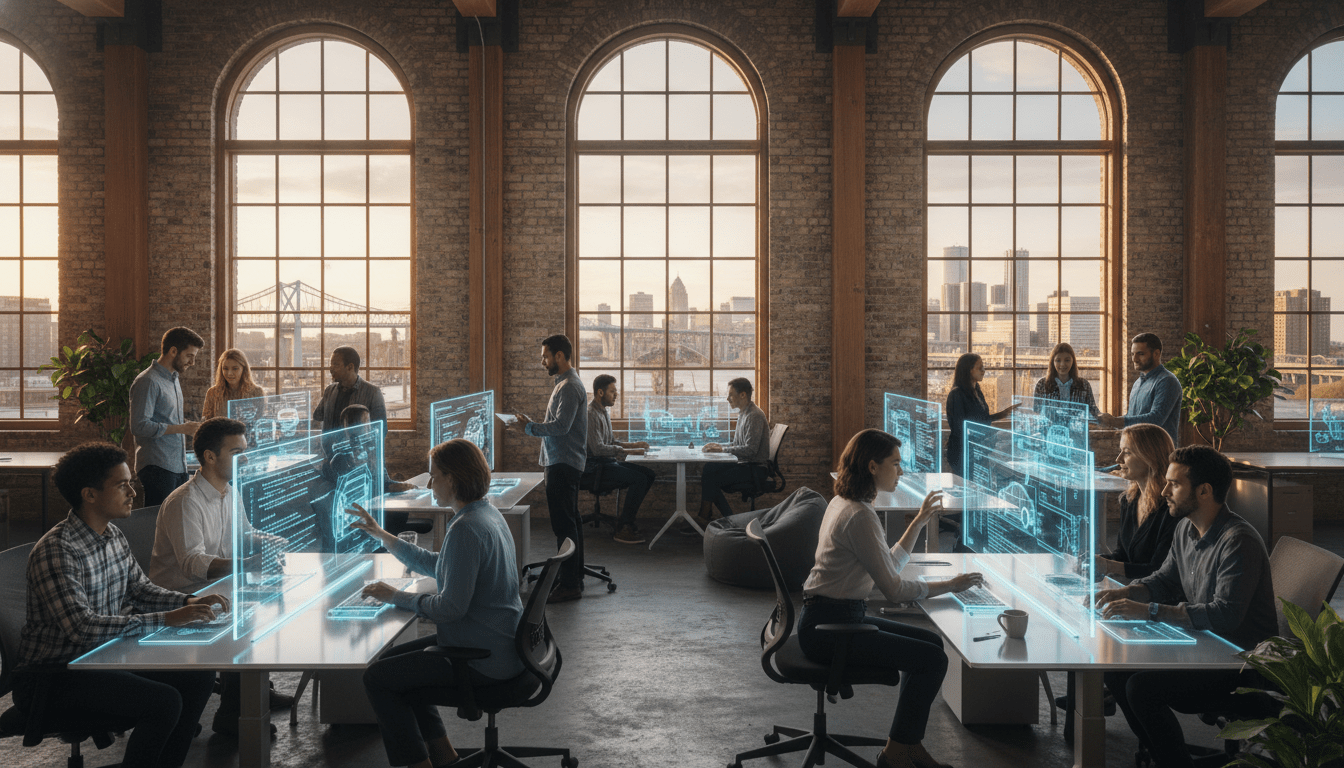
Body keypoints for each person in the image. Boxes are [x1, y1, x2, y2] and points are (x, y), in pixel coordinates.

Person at [14, 442, 229, 768]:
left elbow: (139, 590)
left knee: (198, 677)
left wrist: (189, 601)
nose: (133, 491)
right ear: (89, 495)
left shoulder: (112, 534)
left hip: (105, 657)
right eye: (121, 484)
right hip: (54, 677)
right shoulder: (58, 551)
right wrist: (169, 618)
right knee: (164, 701)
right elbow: (83, 629)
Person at [800, 429, 983, 768]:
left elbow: (885, 564)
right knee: (931, 659)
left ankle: (904, 746)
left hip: (832, 615)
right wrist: (951, 584)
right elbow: (895, 591)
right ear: (872, 467)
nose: (901, 471)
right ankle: (900, 750)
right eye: (895, 464)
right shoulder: (860, 516)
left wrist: (918, 521)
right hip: (831, 628)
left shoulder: (847, 503)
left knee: (931, 643)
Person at [1094, 445, 1277, 768]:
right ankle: (1164, 756)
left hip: (1237, 666)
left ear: (1204, 491)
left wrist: (1150, 611)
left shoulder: (1238, 541)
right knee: (1116, 670)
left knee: (1141, 688)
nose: (1164, 491)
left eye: (1174, 484)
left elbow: (1225, 615)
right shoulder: (1185, 529)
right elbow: (1164, 581)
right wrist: (1129, 595)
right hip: (1202, 648)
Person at [349, 438, 524, 768]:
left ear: (453, 480)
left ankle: (417, 763)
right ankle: (442, 754)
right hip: (499, 643)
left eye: (434, 476)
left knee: (378, 679)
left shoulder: (466, 529)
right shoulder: (485, 514)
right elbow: (438, 564)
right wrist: (382, 535)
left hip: (481, 658)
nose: (429, 484)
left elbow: (450, 609)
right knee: (390, 663)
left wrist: (396, 597)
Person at [147, 417, 293, 735]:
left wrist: (268, 542)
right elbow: (192, 563)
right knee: (247, 614)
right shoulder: (186, 501)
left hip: (217, 587)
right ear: (210, 457)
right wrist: (249, 564)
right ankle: (234, 715)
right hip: (185, 595)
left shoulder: (229, 492)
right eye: (236, 452)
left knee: (270, 605)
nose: (245, 458)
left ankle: (255, 692)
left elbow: (246, 533)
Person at [507, 334, 588, 603]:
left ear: (560, 356)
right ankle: (573, 577)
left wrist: (527, 428)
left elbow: (560, 428)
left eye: (545, 356)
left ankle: (569, 585)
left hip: (563, 463)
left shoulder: (568, 386)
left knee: (563, 526)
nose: (542, 361)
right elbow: (558, 423)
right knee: (571, 522)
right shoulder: (566, 384)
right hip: (563, 461)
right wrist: (530, 422)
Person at [129, 326, 204, 506]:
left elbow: (167, 420)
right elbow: (139, 426)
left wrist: (187, 426)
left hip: (177, 466)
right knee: (157, 526)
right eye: (189, 356)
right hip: (157, 467)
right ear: (173, 351)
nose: (192, 363)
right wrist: (181, 428)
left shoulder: (174, 378)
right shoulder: (148, 381)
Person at [1096, 424, 1179, 581]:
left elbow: (1160, 570)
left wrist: (1108, 566)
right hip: (1133, 591)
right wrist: (1098, 560)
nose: (1118, 459)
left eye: (1127, 453)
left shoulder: (1171, 508)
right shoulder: (1130, 500)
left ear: (1149, 457)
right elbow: (1122, 555)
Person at [585, 374, 655, 545]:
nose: (616, 395)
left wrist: (633, 445)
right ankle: (624, 527)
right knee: (638, 479)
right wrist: (624, 450)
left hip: (607, 463)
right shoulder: (590, 414)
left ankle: (626, 521)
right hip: (595, 467)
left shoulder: (603, 412)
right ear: (600, 393)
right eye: (613, 391)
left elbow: (611, 442)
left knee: (649, 474)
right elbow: (598, 449)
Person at [694, 377, 769, 528]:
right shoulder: (743, 413)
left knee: (711, 479)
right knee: (709, 468)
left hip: (755, 469)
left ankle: (726, 521)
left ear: (742, 395)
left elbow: (750, 450)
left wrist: (722, 449)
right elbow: (737, 444)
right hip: (746, 465)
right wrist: (719, 445)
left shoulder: (754, 415)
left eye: (730, 395)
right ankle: (707, 516)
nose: (727, 399)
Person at [339, 403, 423, 536]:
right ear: (352, 427)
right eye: (365, 422)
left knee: (402, 511)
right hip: (361, 511)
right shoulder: (343, 456)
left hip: (377, 506)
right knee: (396, 517)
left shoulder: (372, 448)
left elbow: (385, 482)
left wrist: (404, 487)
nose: (369, 426)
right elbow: (352, 494)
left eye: (369, 421)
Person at [1098, 333, 1183, 447]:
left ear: (1156, 354)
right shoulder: (1138, 383)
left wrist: (1115, 421)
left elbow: (1156, 419)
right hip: (1138, 450)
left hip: (1158, 454)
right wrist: (1111, 422)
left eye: (1140, 354)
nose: (1134, 359)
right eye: (1132, 354)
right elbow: (1131, 416)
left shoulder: (1167, 381)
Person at [944, 353, 1016, 476]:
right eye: (980, 367)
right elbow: (960, 428)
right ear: (968, 370)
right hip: (963, 453)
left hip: (976, 450)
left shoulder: (976, 389)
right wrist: (993, 436)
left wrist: (1002, 414)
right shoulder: (956, 394)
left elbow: (982, 418)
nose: (984, 370)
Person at [313, 345, 386, 433]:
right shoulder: (329, 390)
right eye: (330, 364)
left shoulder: (373, 393)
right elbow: (317, 417)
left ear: (350, 367)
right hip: (329, 447)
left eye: (335, 364)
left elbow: (381, 429)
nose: (330, 368)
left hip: (357, 447)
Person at [1032, 342, 1099, 417]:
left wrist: (1102, 416)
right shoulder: (1042, 384)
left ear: (1073, 361)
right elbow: (1036, 412)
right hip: (1049, 428)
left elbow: (1093, 410)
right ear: (1052, 362)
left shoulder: (1084, 385)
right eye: (1058, 360)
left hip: (1076, 428)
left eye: (1067, 360)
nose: (1062, 364)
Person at [200, 348, 265, 421]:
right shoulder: (212, 392)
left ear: (243, 369)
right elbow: (205, 423)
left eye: (235, 369)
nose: (229, 373)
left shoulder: (257, 392)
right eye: (225, 369)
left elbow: (259, 422)